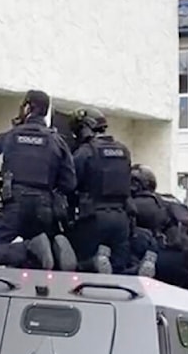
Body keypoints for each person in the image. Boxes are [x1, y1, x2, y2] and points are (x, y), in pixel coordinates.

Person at [0, 90, 78, 271]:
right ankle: (51, 250)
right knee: (42, 261)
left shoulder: (12, 136)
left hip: (15, 207)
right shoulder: (57, 141)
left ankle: (28, 249)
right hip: (45, 211)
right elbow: (69, 183)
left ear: (29, 107)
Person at [65, 108, 155, 276]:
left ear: (84, 129)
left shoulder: (85, 152)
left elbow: (69, 184)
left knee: (82, 267)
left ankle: (94, 263)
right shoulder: (123, 151)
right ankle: (136, 270)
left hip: (93, 218)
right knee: (119, 268)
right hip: (121, 219)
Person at [129, 164, 188, 297]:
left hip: (161, 261)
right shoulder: (173, 201)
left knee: (127, 237)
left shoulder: (136, 204)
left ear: (135, 184)